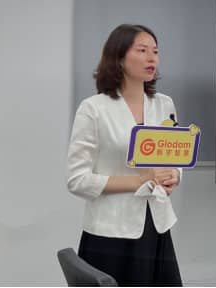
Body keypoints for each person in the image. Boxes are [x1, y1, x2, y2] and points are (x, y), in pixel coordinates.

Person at [66, 24, 183, 286]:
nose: (152, 58)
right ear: (118, 58)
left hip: (157, 227)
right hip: (111, 232)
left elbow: (175, 157)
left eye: (155, 51)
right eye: (142, 50)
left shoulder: (164, 104)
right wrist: (139, 180)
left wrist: (174, 176)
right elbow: (77, 180)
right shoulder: (94, 109)